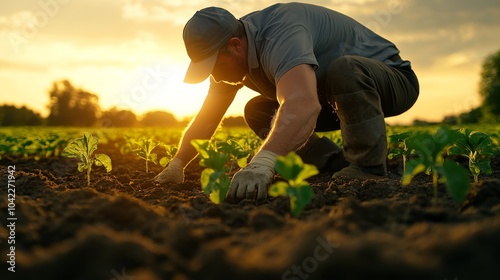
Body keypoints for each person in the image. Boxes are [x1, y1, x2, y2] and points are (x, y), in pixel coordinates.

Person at [154, 2, 419, 200]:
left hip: (390, 80)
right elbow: (207, 118)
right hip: (333, 97)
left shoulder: (280, 34)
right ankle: (333, 163)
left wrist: (263, 162)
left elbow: (304, 104)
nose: (214, 75)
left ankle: (368, 168)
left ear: (235, 45)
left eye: (213, 65)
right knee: (258, 110)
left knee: (345, 69)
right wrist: (177, 163)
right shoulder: (230, 59)